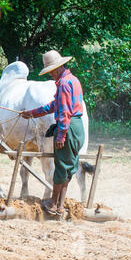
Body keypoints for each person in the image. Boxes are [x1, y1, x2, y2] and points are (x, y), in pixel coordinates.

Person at [21, 50, 85, 216]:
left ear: (56, 68)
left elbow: (64, 112)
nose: (50, 75)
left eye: (50, 72)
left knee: (60, 167)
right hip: (77, 127)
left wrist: (61, 135)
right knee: (69, 167)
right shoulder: (73, 80)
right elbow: (54, 106)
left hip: (68, 127)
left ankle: (52, 202)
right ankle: (59, 204)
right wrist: (32, 113)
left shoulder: (63, 84)